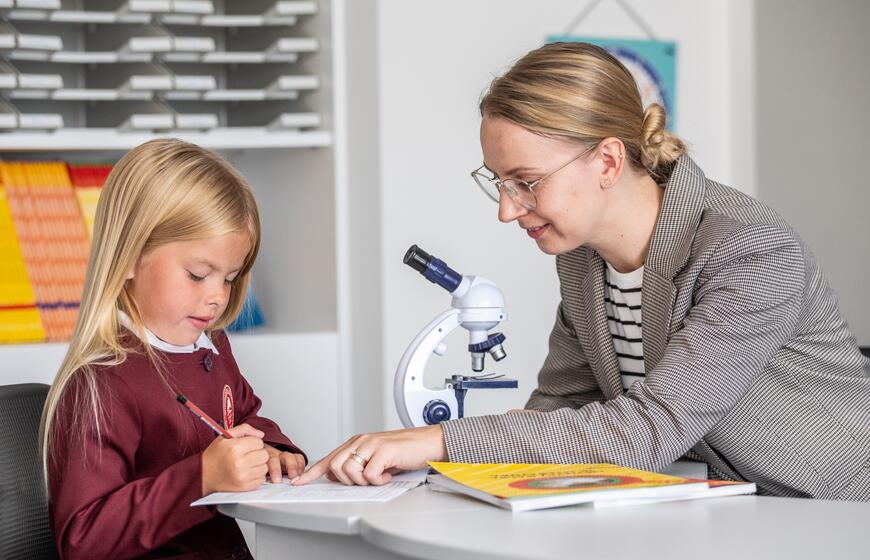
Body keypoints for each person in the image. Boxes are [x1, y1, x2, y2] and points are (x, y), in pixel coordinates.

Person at [295, 42, 870, 499]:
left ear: (609, 160)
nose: (507, 210)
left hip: (831, 509)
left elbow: (646, 430)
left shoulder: (750, 250)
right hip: (729, 505)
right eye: (499, 183)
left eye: (526, 182)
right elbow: (562, 405)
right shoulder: (582, 258)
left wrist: (436, 441)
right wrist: (446, 469)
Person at [41, 139, 306, 559]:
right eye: (198, 274)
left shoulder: (212, 346)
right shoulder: (103, 381)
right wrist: (201, 478)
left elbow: (245, 415)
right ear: (130, 257)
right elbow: (83, 539)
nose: (218, 297)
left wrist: (273, 450)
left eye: (229, 278)